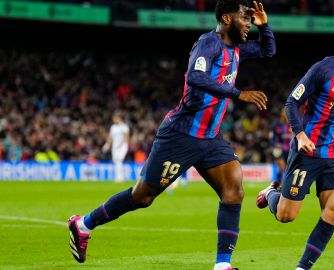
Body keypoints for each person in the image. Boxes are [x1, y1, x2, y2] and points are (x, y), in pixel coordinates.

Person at [68, 1, 275, 269]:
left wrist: (265, 25)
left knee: (234, 191)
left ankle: (222, 265)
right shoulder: (208, 45)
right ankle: (84, 224)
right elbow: (196, 78)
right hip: (181, 135)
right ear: (226, 18)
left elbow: (268, 51)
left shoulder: (237, 50)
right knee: (142, 197)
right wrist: (238, 93)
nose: (248, 23)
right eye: (244, 18)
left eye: (250, 19)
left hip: (210, 138)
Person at [256, 16, 334, 270]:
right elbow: (291, 102)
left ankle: (302, 268)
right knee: (285, 216)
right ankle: (271, 193)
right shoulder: (323, 69)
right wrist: (300, 135)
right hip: (308, 152)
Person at [102, 112, 130, 181]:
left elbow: (126, 137)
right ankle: (118, 176)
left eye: (115, 118)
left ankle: (120, 177)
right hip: (115, 147)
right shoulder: (113, 127)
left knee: (119, 160)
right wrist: (107, 145)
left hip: (123, 146)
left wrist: (121, 144)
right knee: (116, 161)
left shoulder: (124, 126)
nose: (114, 119)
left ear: (119, 118)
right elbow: (110, 138)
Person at [269, 108, 292, 188]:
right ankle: (281, 184)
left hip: (291, 150)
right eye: (284, 112)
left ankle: (280, 183)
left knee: (287, 168)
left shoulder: (294, 122)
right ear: (281, 113)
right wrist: (276, 143)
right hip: (280, 149)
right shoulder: (276, 124)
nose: (286, 114)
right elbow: (272, 138)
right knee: (282, 167)